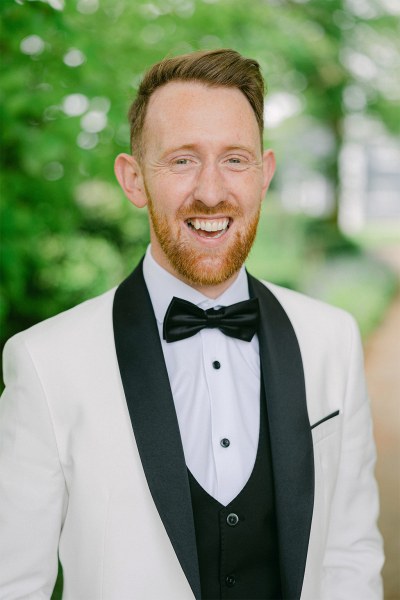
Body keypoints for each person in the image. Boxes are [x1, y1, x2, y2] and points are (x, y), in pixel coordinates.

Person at [0, 49, 383, 600]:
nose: (210, 191)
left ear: (264, 175)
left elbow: (350, 557)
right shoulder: (45, 361)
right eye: (182, 160)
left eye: (234, 159)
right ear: (134, 181)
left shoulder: (332, 340)